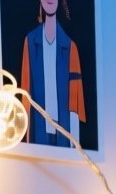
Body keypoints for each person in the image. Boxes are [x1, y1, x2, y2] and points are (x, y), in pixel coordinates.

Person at [19, 0, 88, 147]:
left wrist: (75, 145)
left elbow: (75, 105)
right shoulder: (30, 42)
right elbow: (26, 94)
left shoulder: (70, 47)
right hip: (38, 129)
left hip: (64, 130)